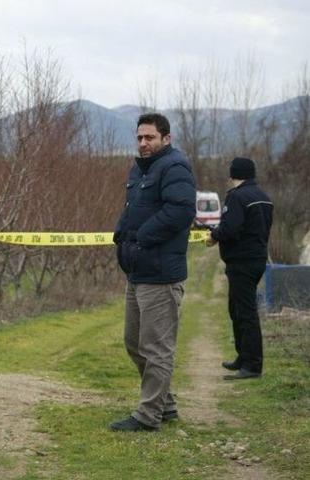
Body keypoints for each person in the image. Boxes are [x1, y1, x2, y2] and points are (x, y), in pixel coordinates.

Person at [112, 113, 197, 431]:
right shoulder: (140, 169)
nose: (144, 143)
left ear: (166, 139)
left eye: (150, 137)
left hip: (161, 273)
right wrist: (120, 234)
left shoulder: (174, 167)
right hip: (137, 271)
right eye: (140, 137)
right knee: (134, 342)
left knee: (156, 348)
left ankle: (148, 416)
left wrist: (143, 238)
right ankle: (167, 404)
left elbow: (181, 210)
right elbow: (131, 208)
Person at [206, 157, 273, 380]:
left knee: (245, 313)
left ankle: (252, 366)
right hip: (257, 259)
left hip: (241, 262)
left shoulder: (236, 196)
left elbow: (231, 228)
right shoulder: (264, 197)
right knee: (236, 309)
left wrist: (214, 236)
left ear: (233, 175)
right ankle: (243, 357)